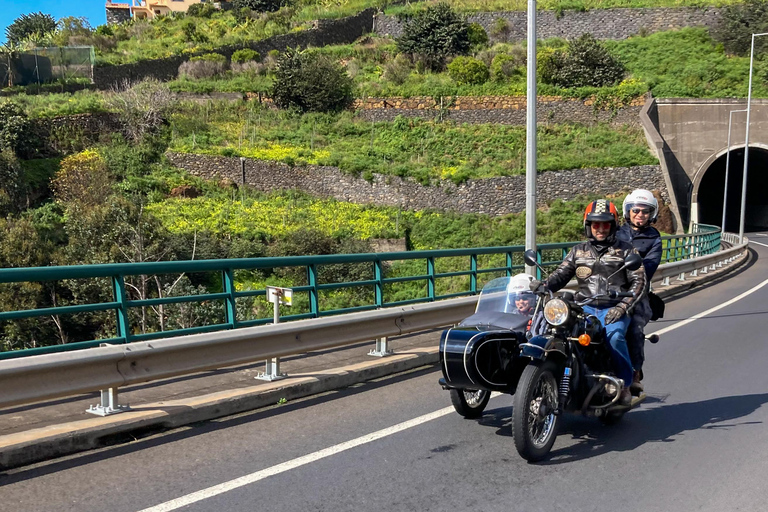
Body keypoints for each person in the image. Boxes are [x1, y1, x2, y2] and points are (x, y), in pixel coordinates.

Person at [531, 199, 646, 405]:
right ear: (588, 226)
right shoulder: (578, 251)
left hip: (613, 307)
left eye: (605, 224)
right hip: (585, 307)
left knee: (615, 336)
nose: (600, 229)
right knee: (559, 333)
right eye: (596, 224)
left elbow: (639, 283)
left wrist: (622, 307)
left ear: (613, 225)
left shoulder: (627, 251)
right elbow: (561, 273)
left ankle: (625, 383)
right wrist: (544, 285)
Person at [617, 189, 662, 395]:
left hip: (638, 292)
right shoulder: (616, 233)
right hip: (611, 288)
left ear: (652, 214)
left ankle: (635, 372)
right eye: (636, 210)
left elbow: (649, 267)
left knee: (634, 328)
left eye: (645, 211)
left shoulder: (654, 238)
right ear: (628, 211)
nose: (640, 214)